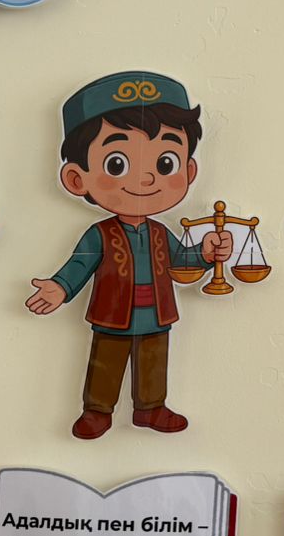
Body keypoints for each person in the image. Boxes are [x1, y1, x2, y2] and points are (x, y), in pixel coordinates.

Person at [26, 72, 232, 440]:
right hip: (112, 314)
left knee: (154, 361)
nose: (146, 179)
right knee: (105, 362)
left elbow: (180, 262)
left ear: (188, 171)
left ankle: (150, 408)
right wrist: (61, 287)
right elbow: (80, 263)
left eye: (165, 164)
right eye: (117, 165)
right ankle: (97, 411)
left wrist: (204, 253)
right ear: (76, 178)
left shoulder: (160, 232)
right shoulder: (100, 233)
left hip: (157, 313)